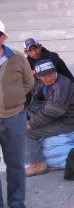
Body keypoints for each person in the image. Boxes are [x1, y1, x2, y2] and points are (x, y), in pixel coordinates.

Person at [25, 60, 74, 176]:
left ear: (55, 71)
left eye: (51, 73)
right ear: (37, 76)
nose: (49, 77)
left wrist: (30, 124)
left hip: (67, 122)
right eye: (44, 75)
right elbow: (34, 103)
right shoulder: (42, 84)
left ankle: (38, 165)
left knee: (25, 131)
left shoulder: (62, 85)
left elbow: (51, 112)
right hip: (57, 119)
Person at [0, 20, 33, 208]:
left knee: (15, 166)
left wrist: (14, 98)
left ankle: (16, 203)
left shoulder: (18, 58)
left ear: (3, 37)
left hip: (14, 117)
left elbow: (28, 83)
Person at [23, 38, 74, 104]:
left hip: (63, 83)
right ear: (26, 52)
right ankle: (32, 107)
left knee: (35, 81)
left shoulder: (52, 56)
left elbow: (47, 72)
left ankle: (43, 106)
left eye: (36, 48)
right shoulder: (27, 62)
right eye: (30, 51)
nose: (34, 52)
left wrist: (32, 72)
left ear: (40, 46)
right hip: (48, 84)